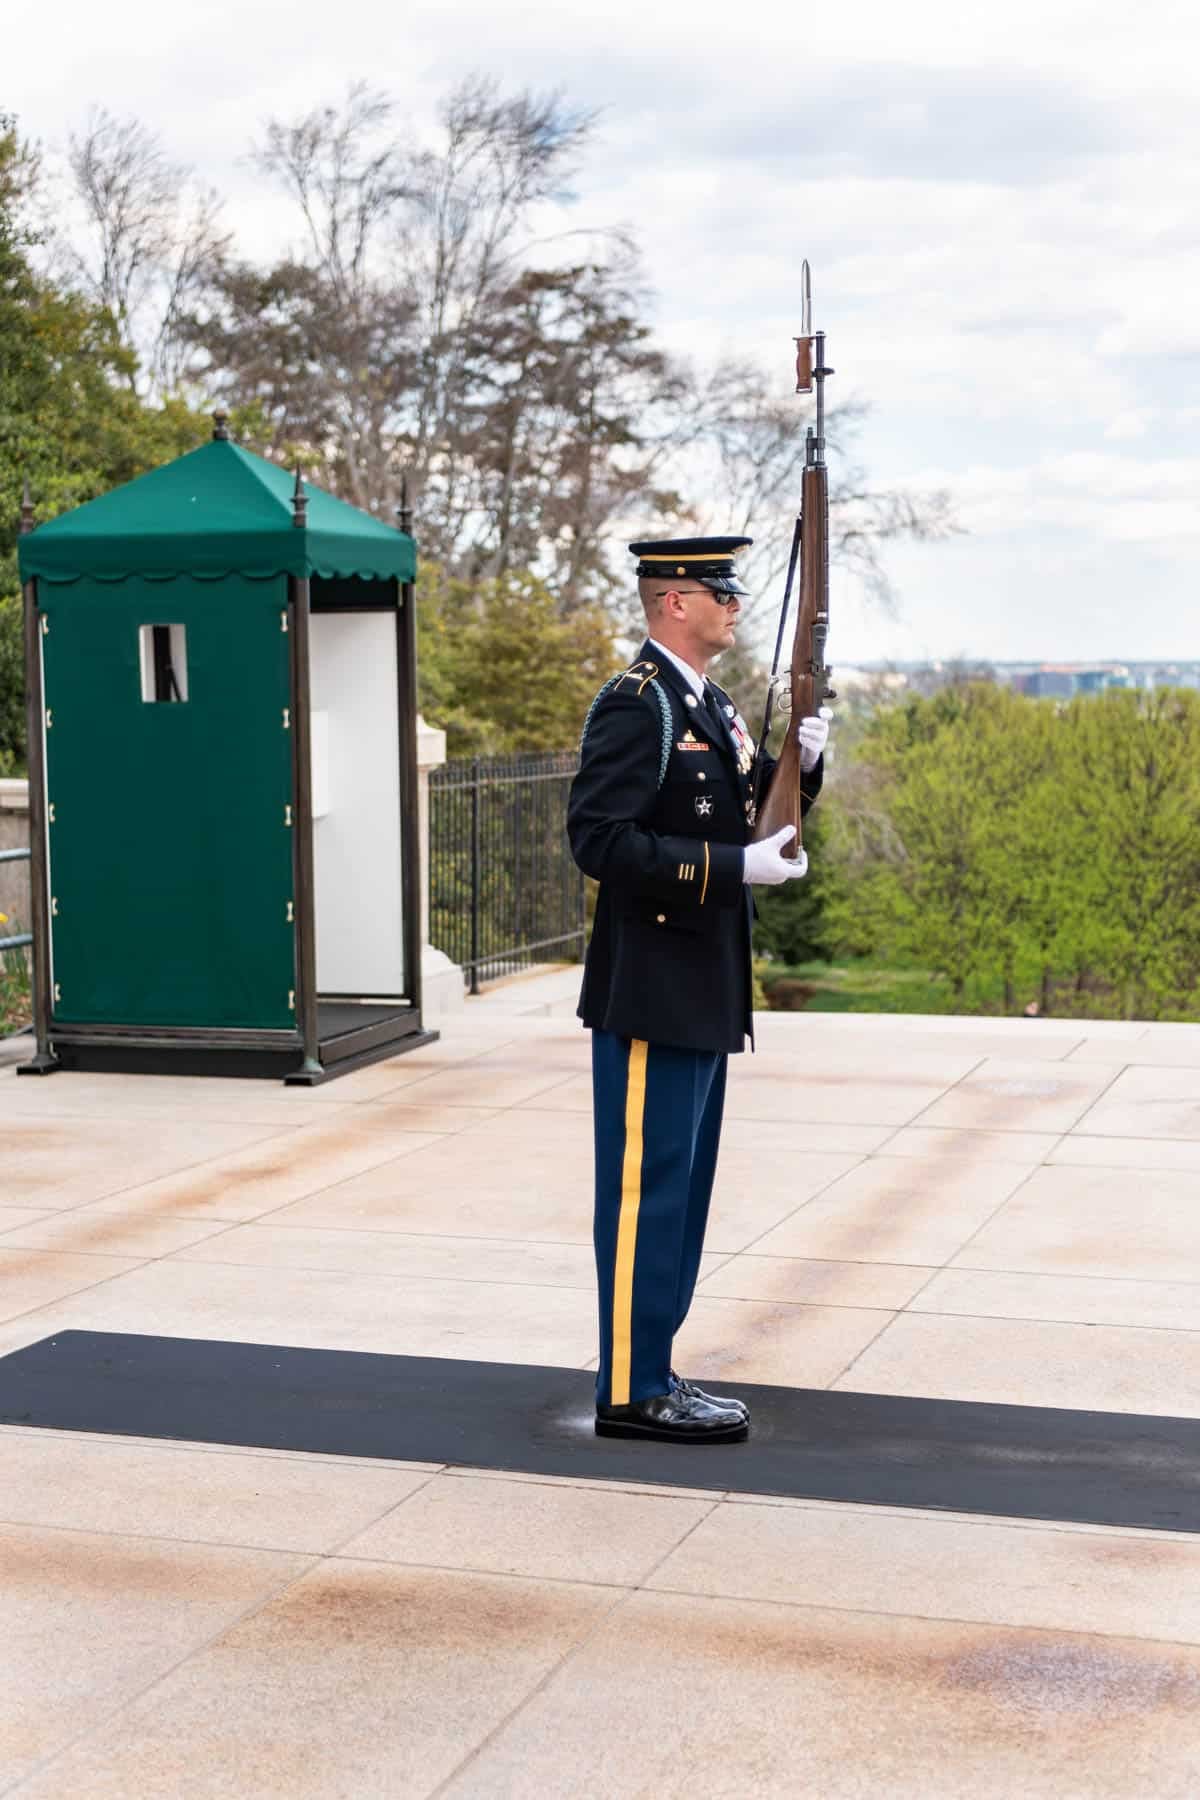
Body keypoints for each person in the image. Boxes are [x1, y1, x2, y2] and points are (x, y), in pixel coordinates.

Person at [567, 536, 828, 1443]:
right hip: (651, 988)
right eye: (720, 588)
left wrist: (805, 764)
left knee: (683, 1189)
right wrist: (731, 867)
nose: (736, 602)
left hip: (703, 986)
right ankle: (632, 1391)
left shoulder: (708, 704)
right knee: (648, 1191)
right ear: (673, 600)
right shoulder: (636, 705)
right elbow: (599, 841)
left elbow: (755, 812)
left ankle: (656, 1367)